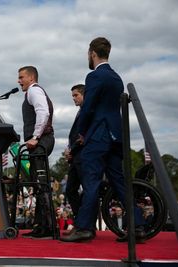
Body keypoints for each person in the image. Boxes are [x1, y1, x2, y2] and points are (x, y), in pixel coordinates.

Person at [61, 37, 145, 243]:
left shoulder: (94, 77)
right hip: (116, 137)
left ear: (92, 53)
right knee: (119, 182)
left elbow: (88, 107)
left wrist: (82, 131)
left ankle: (83, 228)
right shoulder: (117, 78)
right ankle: (139, 226)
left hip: (98, 136)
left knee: (91, 182)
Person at [18, 66, 55, 239]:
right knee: (38, 183)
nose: (19, 81)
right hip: (40, 141)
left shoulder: (34, 91)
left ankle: (48, 227)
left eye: (21, 77)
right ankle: (41, 225)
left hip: (41, 140)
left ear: (31, 78)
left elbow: (43, 112)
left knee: (41, 184)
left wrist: (35, 137)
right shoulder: (31, 92)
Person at [64, 84, 85, 220]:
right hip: (75, 157)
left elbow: (83, 135)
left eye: (76, 95)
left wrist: (72, 150)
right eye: (72, 96)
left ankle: (83, 222)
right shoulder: (80, 112)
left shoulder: (87, 112)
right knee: (70, 190)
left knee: (87, 191)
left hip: (83, 156)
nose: (73, 98)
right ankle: (79, 220)